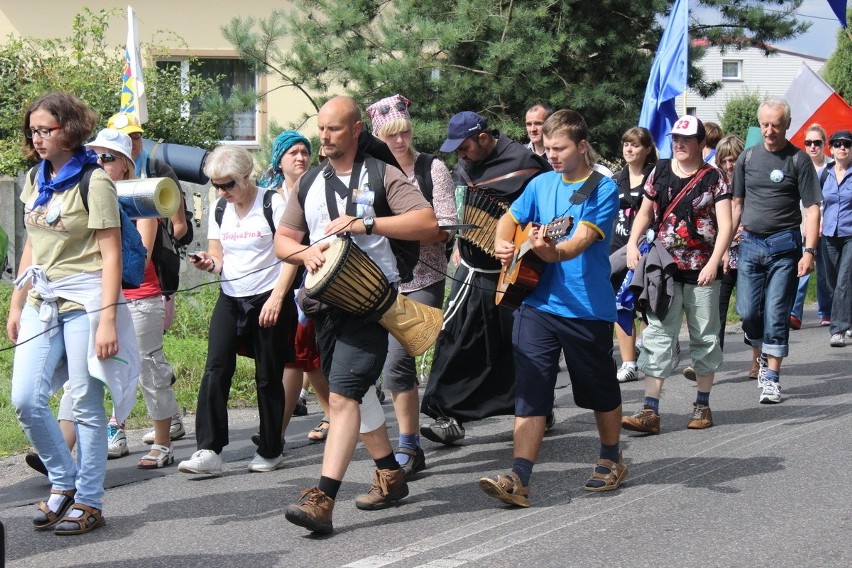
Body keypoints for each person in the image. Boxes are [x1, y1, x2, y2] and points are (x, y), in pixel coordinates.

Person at [276, 96, 438, 534]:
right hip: (325, 305)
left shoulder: (383, 174)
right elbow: (284, 239)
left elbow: (428, 222)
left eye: (333, 129)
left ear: (355, 131)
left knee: (344, 397)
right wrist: (304, 252)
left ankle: (323, 498)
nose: (324, 137)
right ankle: (389, 473)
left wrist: (366, 224)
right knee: (359, 392)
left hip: (369, 303)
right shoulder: (310, 181)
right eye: (320, 129)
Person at [480, 109, 626, 507]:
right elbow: (508, 219)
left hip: (586, 308)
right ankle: (518, 477)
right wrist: (504, 245)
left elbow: (577, 243)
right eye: (546, 149)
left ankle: (611, 458)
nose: (552, 156)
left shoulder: (602, 188)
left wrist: (550, 250)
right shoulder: (541, 183)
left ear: (581, 146)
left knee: (599, 391)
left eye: (559, 149)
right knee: (531, 390)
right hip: (537, 302)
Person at [9, 91, 139, 534]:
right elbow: (32, 242)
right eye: (34, 131)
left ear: (69, 129)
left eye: (46, 129)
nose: (38, 138)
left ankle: (89, 499)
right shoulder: (35, 177)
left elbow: (110, 253)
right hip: (42, 299)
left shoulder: (94, 180)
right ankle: (62, 481)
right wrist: (16, 301)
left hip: (86, 300)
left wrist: (107, 318)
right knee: (25, 398)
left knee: (85, 402)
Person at [420, 111, 549, 445]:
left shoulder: (526, 164)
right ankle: (445, 414)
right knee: (454, 339)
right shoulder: (463, 167)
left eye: (464, 147)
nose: (460, 155)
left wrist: (520, 240)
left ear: (483, 137)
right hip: (472, 270)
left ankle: (537, 406)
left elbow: (548, 211)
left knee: (519, 345)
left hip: (517, 272)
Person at [177, 145, 298, 475]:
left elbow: (291, 254)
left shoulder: (273, 202)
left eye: (228, 184)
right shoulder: (220, 208)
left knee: (267, 376)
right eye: (217, 185)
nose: (222, 191)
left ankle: (272, 448)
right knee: (216, 368)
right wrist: (208, 262)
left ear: (247, 177)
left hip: (270, 296)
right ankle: (209, 450)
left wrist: (278, 298)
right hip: (231, 296)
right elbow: (219, 257)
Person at [365, 94, 458, 476]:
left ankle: (408, 444)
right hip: (377, 278)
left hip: (423, 276)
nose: (399, 141)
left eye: (404, 132)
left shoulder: (431, 169)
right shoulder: (368, 171)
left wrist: (403, 229)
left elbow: (446, 224)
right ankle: (407, 437)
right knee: (377, 364)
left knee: (397, 362)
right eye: (390, 136)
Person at [622, 116, 732, 433]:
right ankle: (650, 410)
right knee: (657, 337)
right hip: (664, 269)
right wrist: (632, 243)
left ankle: (702, 405)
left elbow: (726, 224)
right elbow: (645, 211)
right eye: (675, 139)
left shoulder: (715, 178)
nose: (679, 144)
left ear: (700, 143)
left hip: (702, 272)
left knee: (705, 338)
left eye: (686, 139)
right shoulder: (660, 171)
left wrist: (714, 261)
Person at [80, 128, 181, 469]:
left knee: (148, 367)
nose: (98, 162)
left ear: (124, 163)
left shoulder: (141, 199)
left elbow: (137, 259)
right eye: (93, 155)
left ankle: (163, 443)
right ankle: (114, 430)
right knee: (94, 370)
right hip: (99, 297)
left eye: (106, 157)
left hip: (138, 296)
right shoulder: (87, 194)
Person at [732, 97, 822, 405]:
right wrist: (721, 249)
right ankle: (760, 350)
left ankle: (771, 377)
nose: (769, 131)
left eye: (776, 125)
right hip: (750, 245)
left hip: (785, 247)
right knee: (746, 312)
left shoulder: (798, 160)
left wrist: (809, 251)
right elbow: (737, 205)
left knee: (775, 313)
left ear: (787, 126)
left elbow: (811, 209)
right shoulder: (746, 158)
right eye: (765, 124)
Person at [106, 111, 188, 449]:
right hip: (108, 291)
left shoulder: (149, 182)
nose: (134, 141)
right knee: (110, 362)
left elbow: (147, 248)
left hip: (144, 287)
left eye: (137, 136)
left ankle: (163, 433)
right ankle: (120, 428)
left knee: (147, 362)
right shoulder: (93, 189)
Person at [258, 130, 332, 444]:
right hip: (272, 282)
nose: (301, 157)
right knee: (301, 357)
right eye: (293, 153)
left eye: (304, 151)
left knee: (300, 355)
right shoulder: (269, 195)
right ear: (279, 160)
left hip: (309, 280)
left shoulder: (318, 185)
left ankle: (276, 434)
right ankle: (333, 413)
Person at [611, 126, 657, 383]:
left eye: (636, 145)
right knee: (621, 303)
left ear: (647, 149)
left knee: (646, 305)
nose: (629, 148)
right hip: (618, 249)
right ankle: (629, 363)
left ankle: (651, 351)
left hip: (647, 249)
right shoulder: (616, 179)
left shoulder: (655, 177)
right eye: (626, 144)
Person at [790, 123, 832, 329]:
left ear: (824, 144)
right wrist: (804, 223)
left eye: (817, 142)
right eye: (809, 142)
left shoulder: (833, 166)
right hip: (804, 226)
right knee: (802, 270)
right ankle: (794, 314)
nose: (813, 146)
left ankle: (826, 311)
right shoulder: (799, 165)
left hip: (829, 226)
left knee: (825, 272)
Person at [821, 129, 852, 347]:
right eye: (838, 144)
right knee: (832, 282)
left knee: (843, 281)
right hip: (829, 234)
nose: (842, 147)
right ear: (831, 149)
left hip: (851, 234)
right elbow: (814, 203)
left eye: (847, 144)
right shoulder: (824, 174)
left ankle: (838, 329)